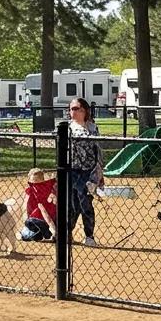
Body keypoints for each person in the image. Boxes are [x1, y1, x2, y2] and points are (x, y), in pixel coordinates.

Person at [67, 97, 102, 247]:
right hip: (72, 171)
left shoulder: (92, 128)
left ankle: (89, 236)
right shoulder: (67, 128)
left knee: (85, 203)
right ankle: (67, 233)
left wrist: (99, 174)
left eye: (76, 109)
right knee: (72, 204)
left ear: (84, 110)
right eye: (71, 109)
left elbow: (98, 151)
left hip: (88, 172)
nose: (72, 112)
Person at [20, 168, 57, 241]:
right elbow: (25, 208)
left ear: (43, 181)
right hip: (37, 219)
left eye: (37, 181)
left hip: (43, 221)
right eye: (33, 181)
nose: (35, 184)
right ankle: (40, 234)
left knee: (26, 233)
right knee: (25, 233)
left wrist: (54, 229)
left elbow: (44, 211)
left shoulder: (40, 192)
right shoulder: (33, 191)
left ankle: (45, 234)